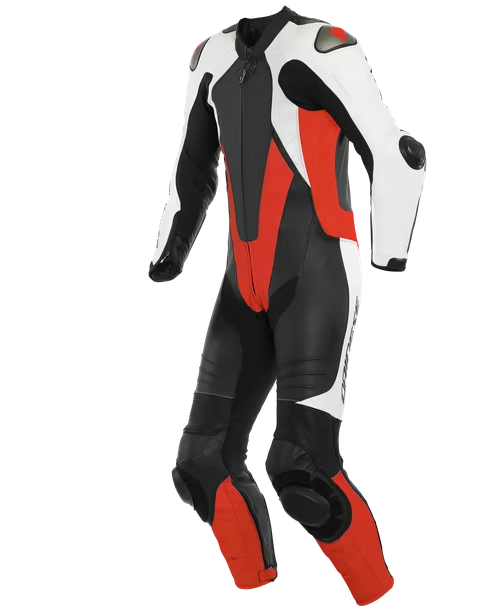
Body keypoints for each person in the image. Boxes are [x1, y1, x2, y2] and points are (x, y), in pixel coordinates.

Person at [149, 5, 427, 607]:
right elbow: (192, 164)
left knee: (304, 468)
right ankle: (254, 588)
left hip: (316, 275)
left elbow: (396, 151)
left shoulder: (318, 47)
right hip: (241, 287)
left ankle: (377, 596)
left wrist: (392, 248)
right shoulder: (210, 58)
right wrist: (171, 247)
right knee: (199, 464)